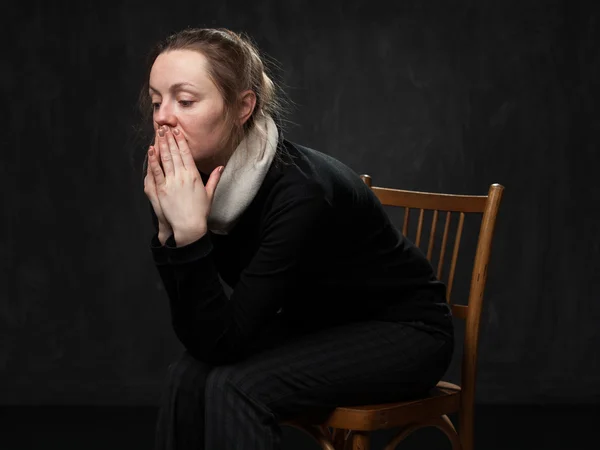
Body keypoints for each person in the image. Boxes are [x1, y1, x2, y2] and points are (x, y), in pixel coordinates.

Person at [141, 27, 454, 450]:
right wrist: (170, 232)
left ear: (243, 108)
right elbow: (207, 340)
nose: (162, 116)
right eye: (157, 101)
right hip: (322, 324)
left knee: (237, 386)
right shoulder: (190, 190)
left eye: (186, 100)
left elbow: (224, 341)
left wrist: (191, 236)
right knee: (187, 376)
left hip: (406, 333)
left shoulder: (301, 191)